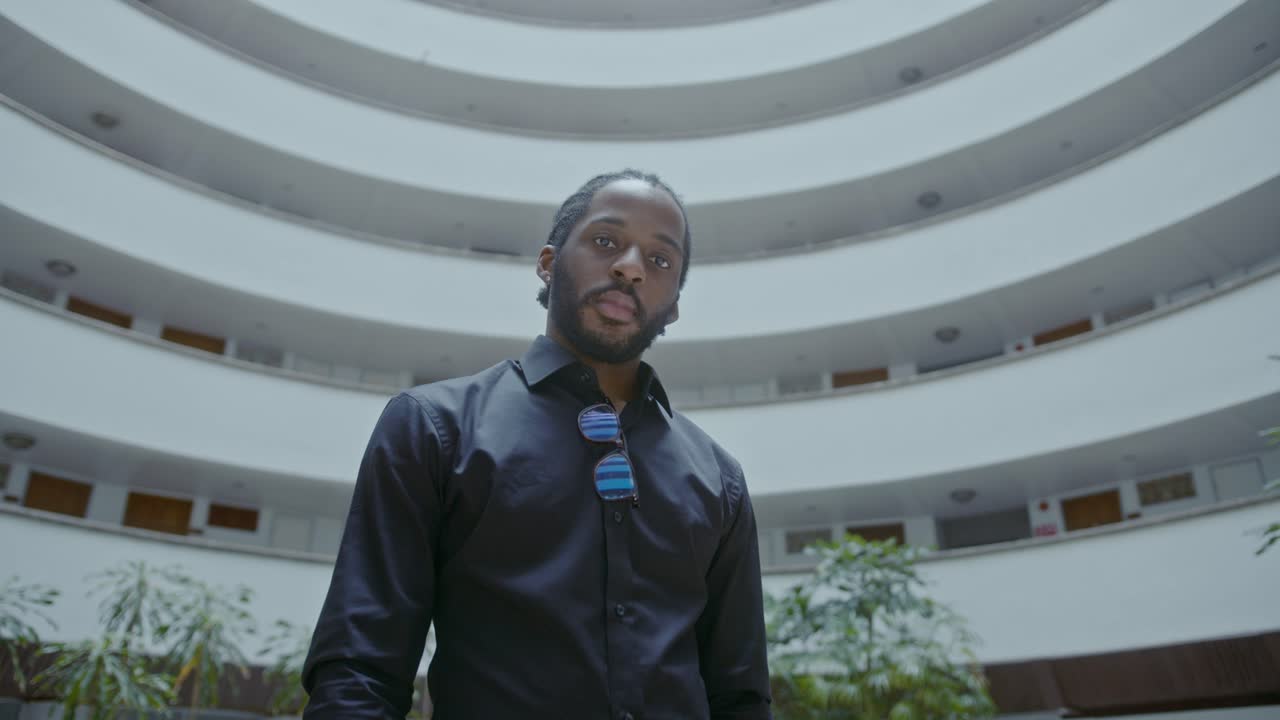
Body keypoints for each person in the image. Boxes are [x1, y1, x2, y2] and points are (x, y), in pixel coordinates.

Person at [302, 170, 773, 719]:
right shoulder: (434, 428)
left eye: (660, 260)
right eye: (606, 242)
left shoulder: (720, 478)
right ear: (548, 264)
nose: (630, 267)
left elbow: (740, 696)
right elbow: (360, 671)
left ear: (672, 307)